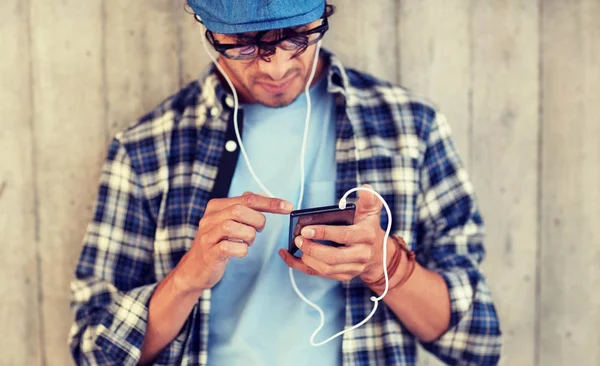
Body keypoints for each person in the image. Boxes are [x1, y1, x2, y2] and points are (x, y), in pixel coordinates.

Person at [68, 0, 502, 365]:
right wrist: (187, 278)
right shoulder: (146, 149)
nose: (276, 67)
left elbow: (477, 341)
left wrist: (384, 265)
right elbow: (93, 350)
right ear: (206, 28)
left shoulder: (410, 128)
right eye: (244, 45)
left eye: (298, 37)